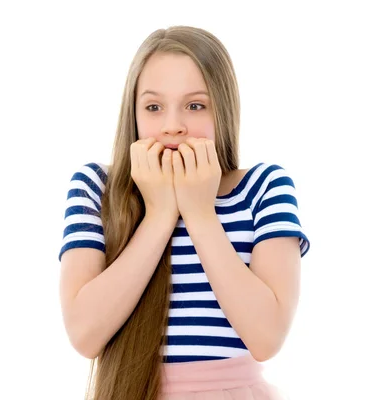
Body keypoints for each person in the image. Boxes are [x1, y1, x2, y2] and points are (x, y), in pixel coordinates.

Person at [57, 25, 311, 400]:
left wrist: (200, 213)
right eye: (153, 107)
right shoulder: (97, 187)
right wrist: (160, 214)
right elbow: (84, 334)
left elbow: (267, 337)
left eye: (195, 105)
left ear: (222, 109)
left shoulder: (264, 186)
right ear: (134, 112)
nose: (172, 126)